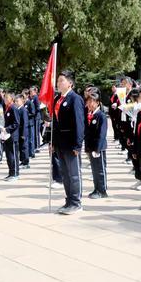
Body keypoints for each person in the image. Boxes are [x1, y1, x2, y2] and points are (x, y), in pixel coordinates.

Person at [52, 70, 85, 215]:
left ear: (70, 83)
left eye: (61, 81)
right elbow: (55, 123)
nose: (59, 83)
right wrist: (52, 142)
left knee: (74, 174)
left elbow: (79, 123)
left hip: (71, 144)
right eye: (58, 81)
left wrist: (78, 144)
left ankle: (76, 202)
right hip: (60, 143)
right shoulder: (57, 99)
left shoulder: (75, 99)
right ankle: (69, 200)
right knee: (64, 174)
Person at [85, 90, 108, 199]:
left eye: (92, 101)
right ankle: (96, 188)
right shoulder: (89, 115)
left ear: (98, 103)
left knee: (100, 169)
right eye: (88, 101)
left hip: (98, 148)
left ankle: (102, 190)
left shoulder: (101, 116)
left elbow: (102, 134)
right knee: (94, 170)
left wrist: (97, 149)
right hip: (90, 147)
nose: (89, 104)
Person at [2, 92, 20, 181]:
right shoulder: (7, 108)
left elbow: (16, 123)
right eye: (4, 98)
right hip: (7, 136)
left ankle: (15, 174)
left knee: (13, 156)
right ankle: (11, 173)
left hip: (12, 136)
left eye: (7, 98)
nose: (5, 99)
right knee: (9, 156)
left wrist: (7, 129)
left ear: (11, 99)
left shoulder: (13, 108)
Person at [15, 94, 30, 169]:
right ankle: (22, 161)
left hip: (23, 132)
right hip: (19, 131)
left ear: (22, 101)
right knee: (21, 147)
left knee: (24, 147)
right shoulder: (18, 109)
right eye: (15, 101)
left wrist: (23, 133)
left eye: (17, 101)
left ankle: (26, 162)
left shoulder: (23, 110)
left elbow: (25, 122)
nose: (16, 103)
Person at [29, 86, 42, 153]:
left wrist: (34, 113)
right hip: (33, 117)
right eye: (30, 91)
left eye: (31, 91)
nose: (30, 92)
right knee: (34, 132)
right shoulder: (32, 98)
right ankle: (34, 146)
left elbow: (38, 108)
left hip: (37, 117)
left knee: (36, 132)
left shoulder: (36, 97)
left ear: (35, 91)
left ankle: (37, 147)